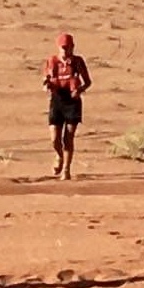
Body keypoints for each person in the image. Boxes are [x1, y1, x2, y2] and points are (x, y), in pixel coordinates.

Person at [43, 32, 92, 180]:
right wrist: (47, 85)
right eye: (63, 48)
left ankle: (66, 170)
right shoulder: (52, 61)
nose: (66, 50)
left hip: (72, 102)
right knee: (55, 139)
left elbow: (88, 82)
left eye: (69, 47)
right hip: (57, 100)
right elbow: (46, 80)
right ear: (59, 48)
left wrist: (79, 90)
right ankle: (59, 156)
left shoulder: (77, 62)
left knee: (68, 138)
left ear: (73, 47)